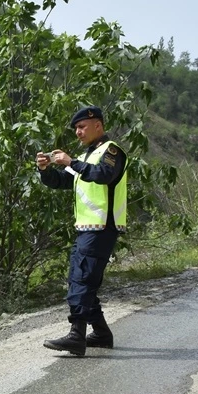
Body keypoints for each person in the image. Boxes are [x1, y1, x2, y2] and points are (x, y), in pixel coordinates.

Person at [35, 106, 127, 357]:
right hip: (87, 229)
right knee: (83, 280)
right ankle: (101, 334)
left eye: (82, 127)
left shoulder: (111, 151)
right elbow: (60, 182)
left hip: (102, 227)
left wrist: (71, 162)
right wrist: (45, 170)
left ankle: (77, 335)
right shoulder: (86, 157)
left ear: (98, 125)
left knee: (81, 280)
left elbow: (105, 175)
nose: (77, 132)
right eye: (76, 128)